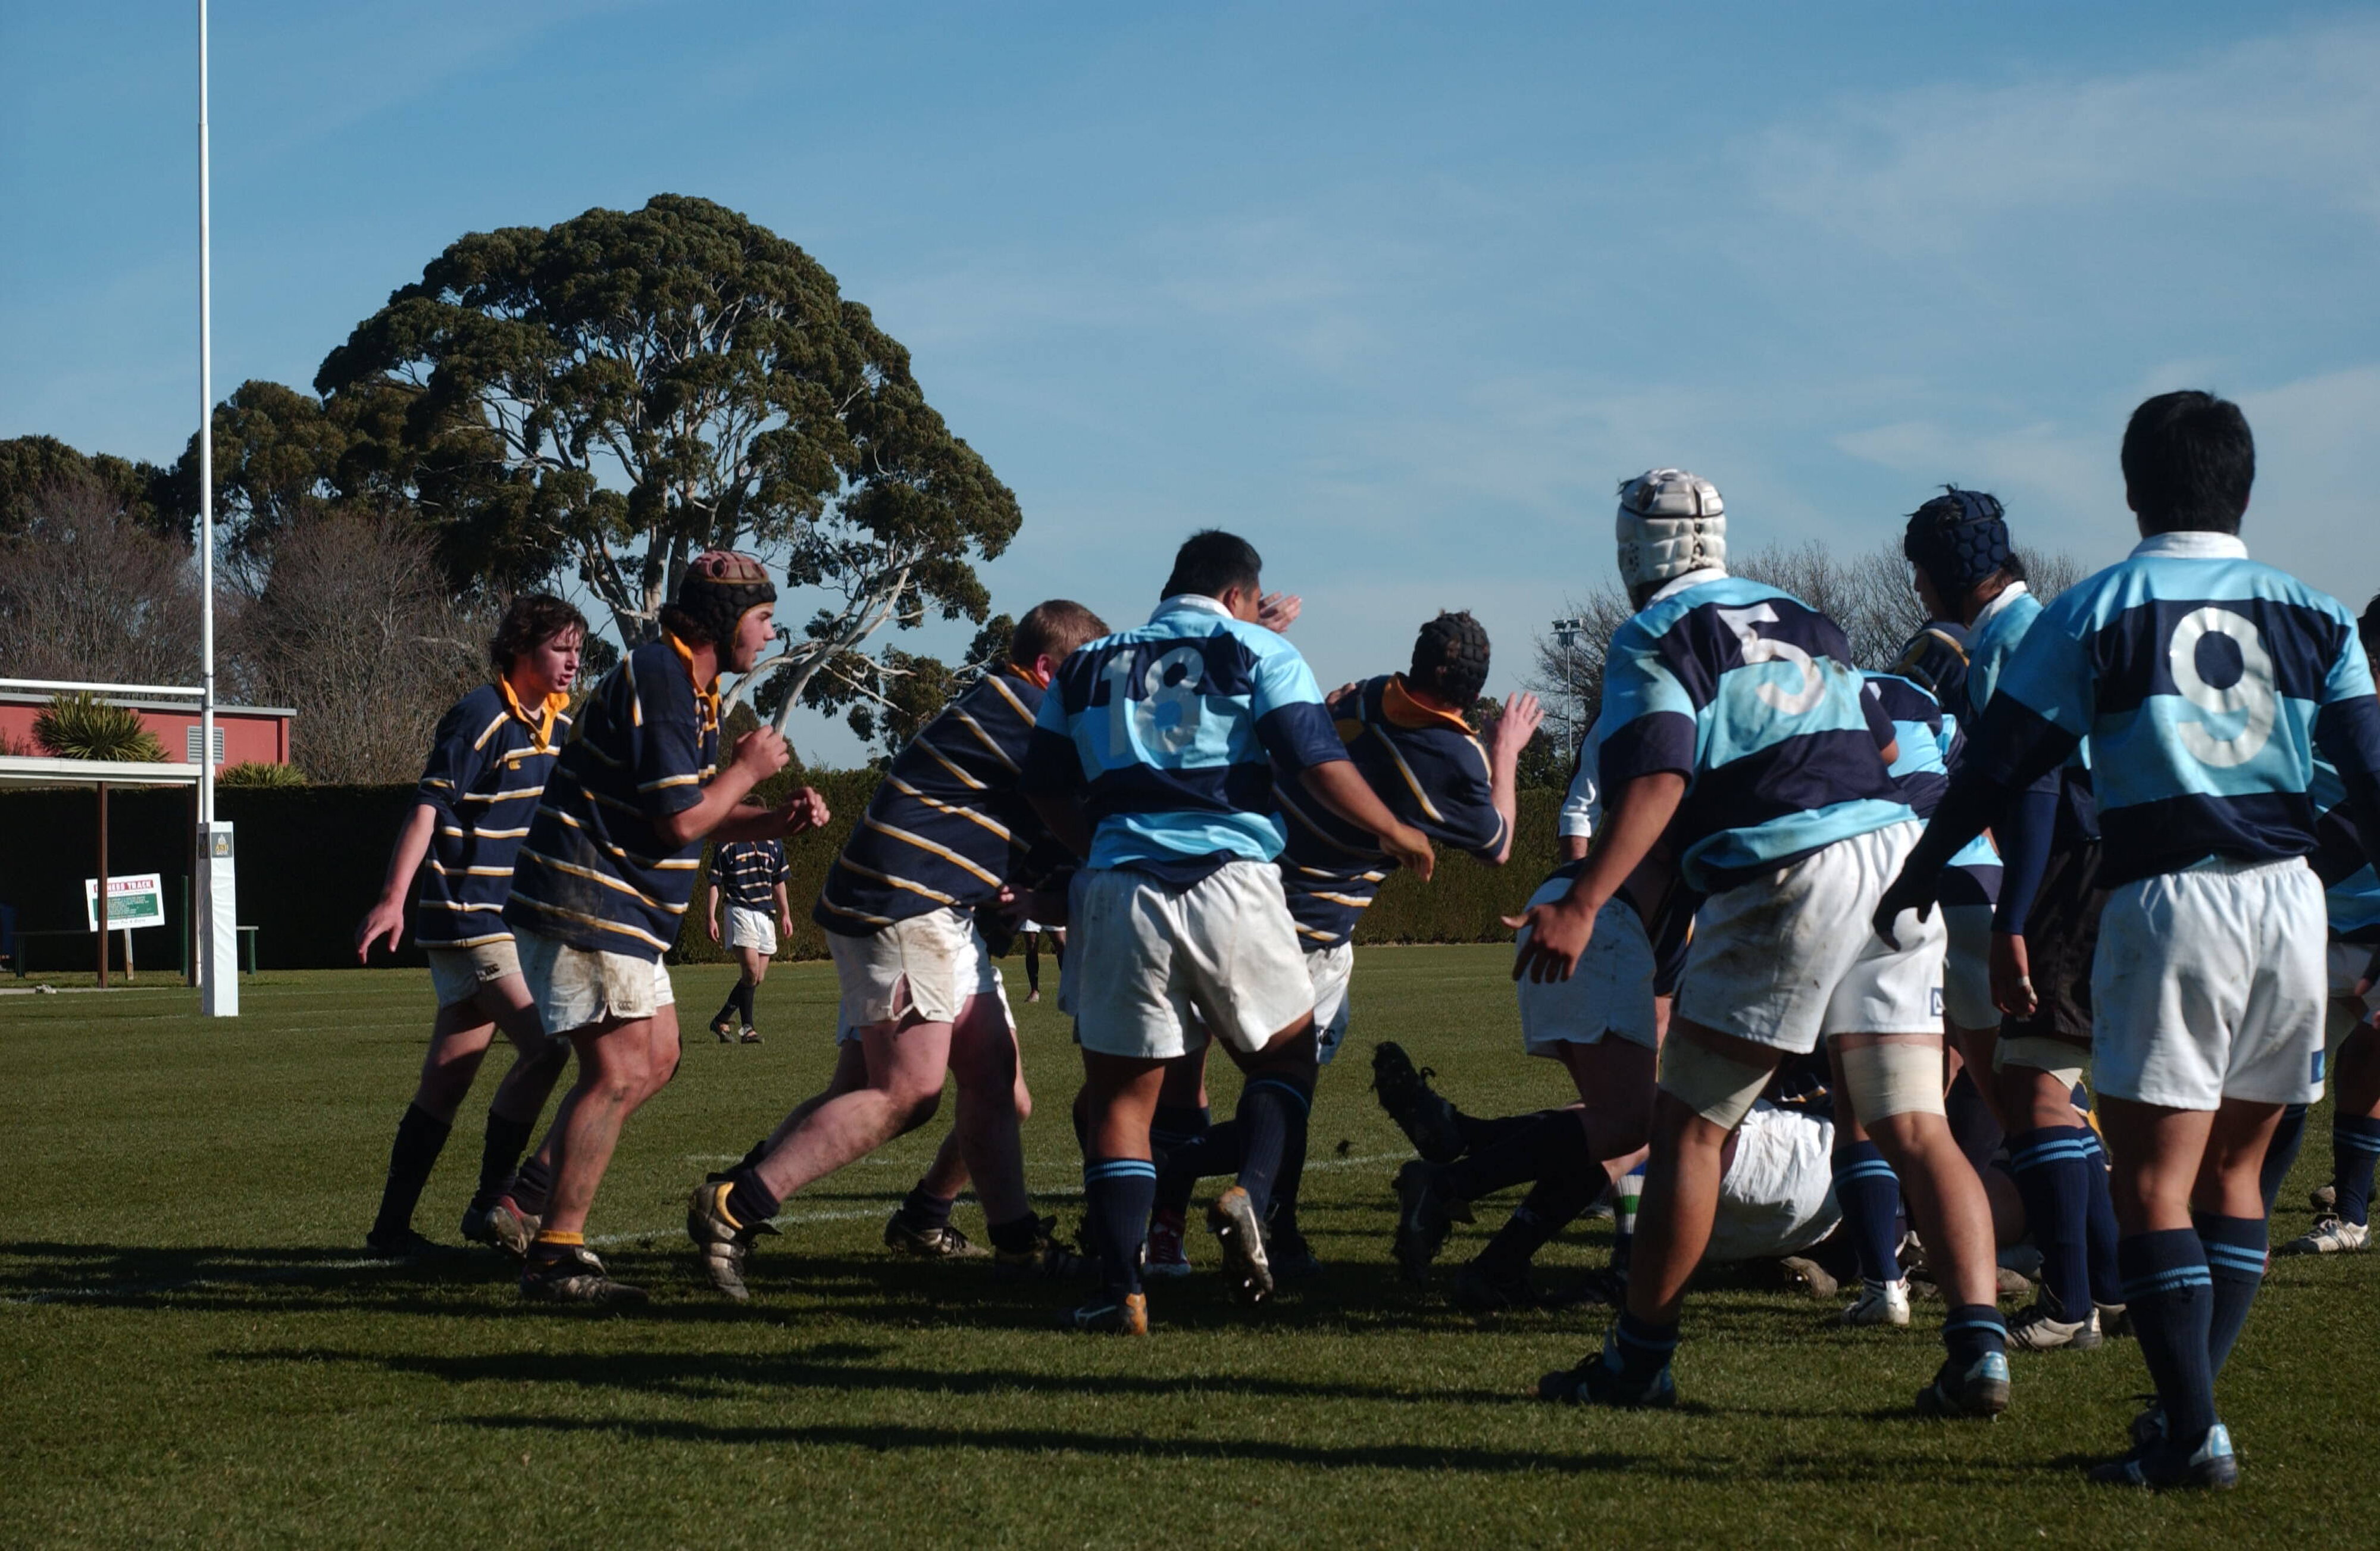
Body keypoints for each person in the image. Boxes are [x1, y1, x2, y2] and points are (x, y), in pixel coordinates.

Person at [1875, 391, 2380, 1488]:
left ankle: (2191, 1434)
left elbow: (1999, 763)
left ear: (2129, 489)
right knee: (2237, 1173)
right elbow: (2376, 783)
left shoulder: (2095, 606)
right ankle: (2179, 1413)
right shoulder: (2317, 611)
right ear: (2242, 488)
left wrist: (1917, 873)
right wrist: (2315, 865)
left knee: (2151, 1182)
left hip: (2166, 900)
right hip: (2288, 903)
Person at [1517, 468, 2011, 1418]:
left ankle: (1639, 1355)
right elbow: (1864, 748)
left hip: (1786, 865)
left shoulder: (1655, 632)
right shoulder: (1807, 616)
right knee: (1915, 1123)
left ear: (1634, 549)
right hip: (1893, 857)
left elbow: (1657, 773)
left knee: (1691, 1127)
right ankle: (1977, 1352)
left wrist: (1583, 898)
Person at [1022, 529, 1437, 1333]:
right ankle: (1248, 1184)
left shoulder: (1084, 663)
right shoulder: (1256, 649)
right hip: (1230, 881)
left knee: (1120, 1099)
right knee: (1284, 1058)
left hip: (1116, 888)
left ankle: (1122, 1291)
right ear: (1242, 594)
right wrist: (1394, 828)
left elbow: (1042, 783)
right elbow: (1314, 758)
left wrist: (1101, 848)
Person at [687, 601, 1112, 1299]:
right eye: (1088, 677)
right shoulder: (1023, 705)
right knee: (906, 1090)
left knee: (993, 1080)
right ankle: (736, 1206)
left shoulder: (1015, 707)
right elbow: (1093, 793)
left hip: (921, 902)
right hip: (909, 899)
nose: (1097, 696)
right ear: (1047, 670)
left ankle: (994, 1240)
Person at [1145, 612, 1540, 1277]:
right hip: (1304, 933)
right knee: (1286, 1085)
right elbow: (1499, 845)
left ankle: (1203, 1223)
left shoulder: (1365, 694)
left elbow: (1312, 719)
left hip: (1230, 887)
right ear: (1474, 694)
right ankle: (1215, 1192)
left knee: (1196, 1068)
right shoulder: (1453, 755)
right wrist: (1506, 750)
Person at [504, 552, 829, 1303]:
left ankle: (523, 1200)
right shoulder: (659, 675)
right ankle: (553, 1258)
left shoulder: (693, 688)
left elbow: (694, 814)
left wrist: (774, 817)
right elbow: (680, 819)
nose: (771, 631)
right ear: (721, 621)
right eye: (762, 616)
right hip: (588, 897)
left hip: (620, 904)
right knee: (617, 1070)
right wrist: (748, 770)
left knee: (657, 1057)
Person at [1905, 490, 2126, 1352]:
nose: (1918, 589)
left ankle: (2070, 1298)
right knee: (2048, 1091)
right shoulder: (2034, 624)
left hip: (2069, 871)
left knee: (2035, 1094)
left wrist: (2011, 918)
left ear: (1941, 572)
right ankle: (2103, 1286)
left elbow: (2032, 793)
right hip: (2090, 865)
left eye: (1919, 571)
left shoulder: (2007, 645)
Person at [353, 593, 586, 1258]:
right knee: (548, 1048)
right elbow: (429, 805)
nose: (572, 661)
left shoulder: (557, 725)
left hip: (504, 921)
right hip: (471, 918)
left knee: (447, 1079)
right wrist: (394, 897)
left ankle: (389, 1231)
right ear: (521, 649)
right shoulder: (482, 714)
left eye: (578, 649)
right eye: (560, 647)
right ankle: (494, 1201)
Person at [2279, 593, 2380, 1255]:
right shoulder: (2319, 718)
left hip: (2368, 931)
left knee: (2367, 1062)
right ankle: (2242, 1209)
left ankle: (2349, 1210)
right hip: (2318, 929)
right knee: (2284, 1073)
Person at [705, 834, 792, 1044]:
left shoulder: (774, 844)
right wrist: (710, 917)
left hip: (765, 913)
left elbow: (778, 881)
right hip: (738, 909)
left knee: (757, 977)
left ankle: (721, 1019)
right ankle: (748, 1029)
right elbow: (715, 883)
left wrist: (786, 914)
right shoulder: (727, 844)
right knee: (751, 971)